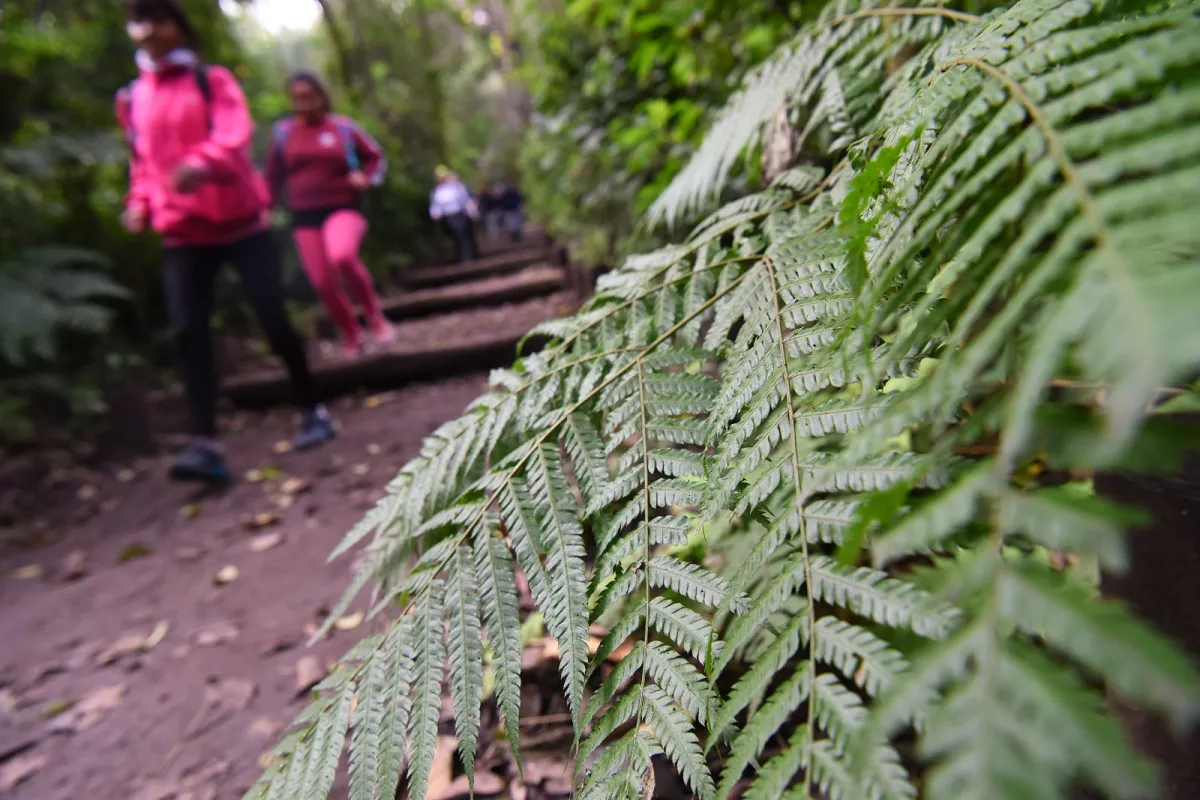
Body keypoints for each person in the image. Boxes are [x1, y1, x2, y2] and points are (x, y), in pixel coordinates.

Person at [117, 0, 334, 485]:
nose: (149, 29)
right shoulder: (133, 96)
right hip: (182, 231)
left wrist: (204, 162)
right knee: (189, 332)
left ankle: (312, 408)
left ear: (178, 27)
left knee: (272, 316)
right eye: (139, 20)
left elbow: (234, 134)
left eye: (158, 18)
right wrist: (140, 202)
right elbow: (143, 163)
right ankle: (205, 445)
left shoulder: (211, 81)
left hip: (241, 224)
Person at [264, 71, 395, 360]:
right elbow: (272, 176)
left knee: (342, 256)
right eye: (297, 98)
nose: (304, 103)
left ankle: (375, 318)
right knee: (322, 281)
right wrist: (267, 207)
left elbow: (376, 157)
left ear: (321, 96)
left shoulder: (342, 128)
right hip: (304, 217)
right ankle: (351, 333)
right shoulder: (284, 134)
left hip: (343, 207)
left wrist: (367, 177)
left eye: (309, 96)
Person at [429, 166, 478, 263]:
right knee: (454, 237)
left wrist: (471, 211)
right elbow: (435, 205)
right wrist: (435, 213)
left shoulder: (456, 187)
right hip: (447, 218)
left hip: (459, 215)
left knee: (462, 236)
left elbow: (465, 200)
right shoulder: (436, 191)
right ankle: (459, 256)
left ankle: (466, 257)